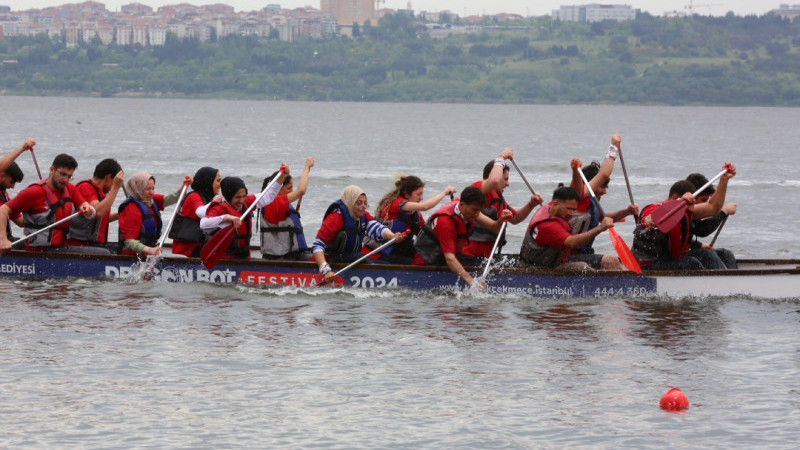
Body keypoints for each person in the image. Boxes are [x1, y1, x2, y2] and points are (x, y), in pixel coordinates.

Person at [632, 163, 737, 270]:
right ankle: (709, 285)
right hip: (649, 265)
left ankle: (733, 283)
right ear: (675, 198)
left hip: (671, 259)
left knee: (724, 254)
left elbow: (713, 207)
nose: (692, 208)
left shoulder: (686, 209)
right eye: (691, 204)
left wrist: (724, 180)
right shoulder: (653, 209)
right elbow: (648, 221)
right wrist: (681, 203)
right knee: (693, 262)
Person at [413, 186, 512, 287]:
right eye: (475, 210)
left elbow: (494, 227)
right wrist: (471, 281)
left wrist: (501, 220)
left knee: (499, 263)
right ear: (462, 205)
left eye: (480, 210)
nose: (477, 214)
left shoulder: (470, 210)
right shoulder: (446, 222)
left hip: (451, 257)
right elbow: (450, 259)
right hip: (428, 263)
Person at [0, 153, 100, 253]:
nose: (65, 180)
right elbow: (3, 209)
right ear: (52, 170)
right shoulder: (33, 192)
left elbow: (89, 211)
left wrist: (88, 209)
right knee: (102, 253)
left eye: (69, 176)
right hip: (39, 250)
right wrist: (3, 239)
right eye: (62, 174)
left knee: (104, 251)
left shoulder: (70, 189)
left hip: (61, 247)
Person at [313, 185, 409, 284]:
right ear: (351, 202)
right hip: (330, 261)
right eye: (359, 203)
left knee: (385, 264)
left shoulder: (363, 216)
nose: (363, 206)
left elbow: (378, 229)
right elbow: (317, 245)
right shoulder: (336, 217)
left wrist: (393, 236)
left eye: (365, 203)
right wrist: (325, 270)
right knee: (359, 256)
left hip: (349, 258)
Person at [462, 147, 544, 260]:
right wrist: (501, 157)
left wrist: (531, 204)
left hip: (486, 256)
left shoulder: (499, 199)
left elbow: (515, 218)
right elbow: (494, 181)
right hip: (467, 256)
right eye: (505, 179)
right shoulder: (477, 190)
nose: (508, 184)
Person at [519, 186, 620, 270]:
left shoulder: (548, 208)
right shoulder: (548, 226)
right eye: (569, 209)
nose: (572, 214)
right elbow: (572, 242)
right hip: (539, 268)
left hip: (552, 261)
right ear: (555, 204)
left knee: (610, 261)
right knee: (583, 267)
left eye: (574, 210)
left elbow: (575, 187)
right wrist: (599, 229)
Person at [568, 134, 638, 254]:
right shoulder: (576, 197)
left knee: (615, 262)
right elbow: (604, 174)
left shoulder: (591, 202)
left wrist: (627, 211)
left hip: (583, 254)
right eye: (602, 186)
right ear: (591, 183)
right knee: (611, 263)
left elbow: (604, 217)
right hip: (566, 257)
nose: (605, 191)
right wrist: (613, 147)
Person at [366, 174, 457, 264]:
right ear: (406, 194)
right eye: (418, 194)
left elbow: (426, 235)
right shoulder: (395, 203)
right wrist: (444, 193)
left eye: (422, 194)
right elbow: (425, 206)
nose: (422, 198)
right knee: (417, 262)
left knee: (434, 257)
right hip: (379, 252)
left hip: (398, 250)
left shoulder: (415, 214)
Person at [200, 169, 288, 260]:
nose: (241, 201)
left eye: (244, 196)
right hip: (226, 260)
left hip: (244, 258)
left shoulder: (246, 202)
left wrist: (281, 178)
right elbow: (203, 224)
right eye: (237, 197)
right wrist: (227, 218)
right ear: (229, 196)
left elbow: (268, 196)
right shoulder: (219, 208)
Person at [118, 172, 192, 257]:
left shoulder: (150, 201)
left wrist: (184, 186)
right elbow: (129, 241)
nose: (151, 192)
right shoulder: (130, 209)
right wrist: (150, 250)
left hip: (149, 253)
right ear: (138, 188)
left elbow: (172, 198)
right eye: (148, 189)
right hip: (133, 256)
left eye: (153, 188)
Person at [260, 157, 314, 261]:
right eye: (289, 188)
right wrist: (307, 167)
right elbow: (301, 190)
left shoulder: (280, 203)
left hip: (291, 254)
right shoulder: (273, 203)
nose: (292, 191)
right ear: (277, 188)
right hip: (280, 257)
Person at [65, 158, 124, 253]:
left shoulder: (101, 194)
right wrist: (115, 188)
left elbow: (101, 220)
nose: (113, 186)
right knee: (106, 253)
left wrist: (120, 214)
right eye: (114, 182)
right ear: (108, 177)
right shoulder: (85, 187)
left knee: (124, 249)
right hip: (79, 243)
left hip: (94, 244)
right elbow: (98, 213)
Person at [686, 173, 738, 269]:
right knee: (708, 255)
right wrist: (723, 213)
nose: (705, 204)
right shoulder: (684, 209)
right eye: (704, 200)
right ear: (693, 198)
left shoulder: (691, 212)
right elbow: (702, 230)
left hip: (684, 252)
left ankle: (734, 280)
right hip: (671, 258)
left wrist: (700, 245)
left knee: (726, 254)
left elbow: (688, 236)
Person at [171, 166, 221, 257]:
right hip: (186, 251)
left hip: (197, 247)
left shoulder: (206, 199)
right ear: (208, 181)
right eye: (218, 181)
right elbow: (201, 212)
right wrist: (221, 200)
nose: (220, 185)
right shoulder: (194, 196)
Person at [0, 138, 35, 242]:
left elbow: (20, 222)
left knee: (33, 245)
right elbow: (1, 166)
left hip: (7, 240)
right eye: (12, 182)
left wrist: (42, 217)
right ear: (2, 176)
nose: (13, 187)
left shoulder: (4, 195)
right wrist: (23, 148)